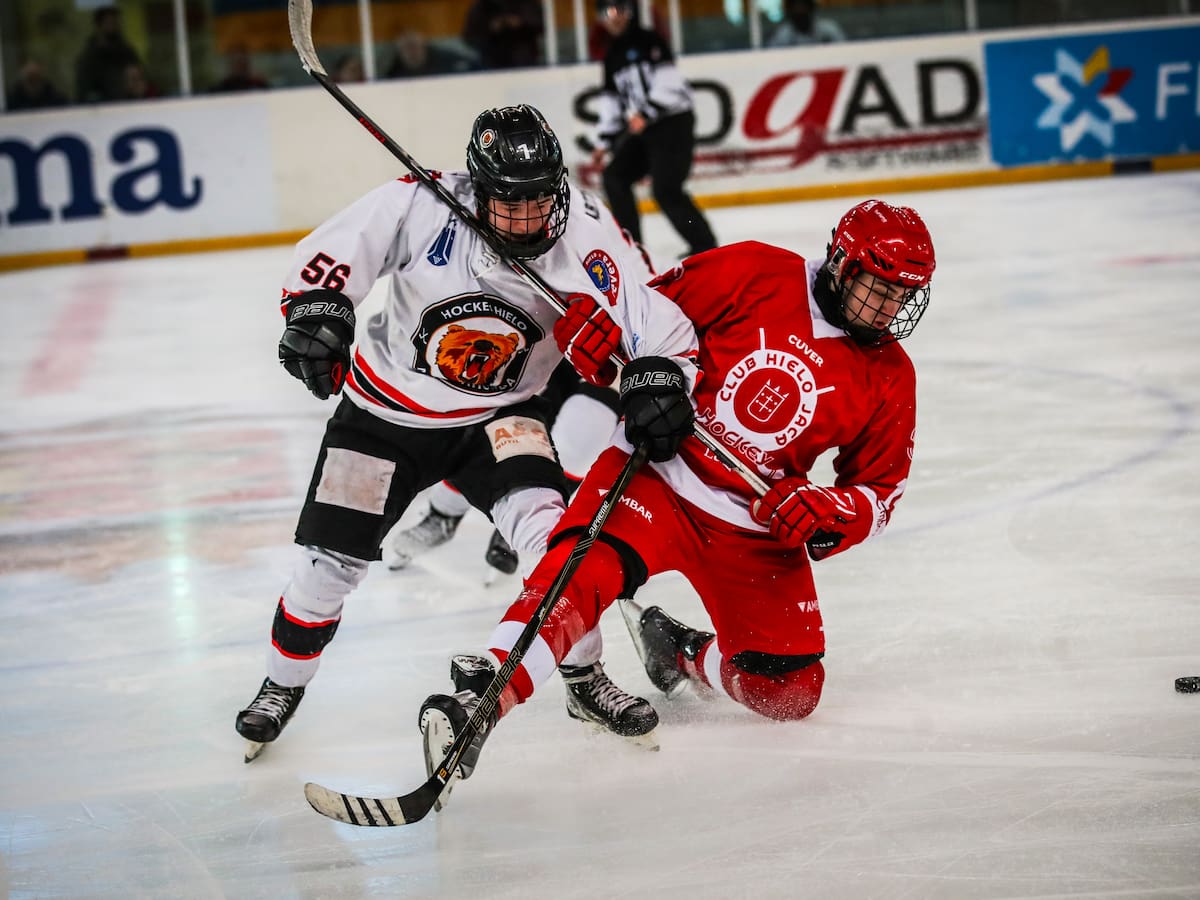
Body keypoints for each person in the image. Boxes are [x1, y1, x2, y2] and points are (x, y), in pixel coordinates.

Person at [416, 199, 936, 796]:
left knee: (790, 692)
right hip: (657, 471)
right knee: (575, 578)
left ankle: (680, 651)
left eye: (905, 295)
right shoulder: (754, 271)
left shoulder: (890, 373)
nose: (892, 307)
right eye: (881, 288)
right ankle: (480, 700)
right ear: (842, 265)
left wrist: (828, 510)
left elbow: (880, 492)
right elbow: (645, 320)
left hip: (751, 528)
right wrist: (604, 345)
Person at [234, 104, 700, 760]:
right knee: (327, 567)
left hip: (503, 419)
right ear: (477, 191)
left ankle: (583, 677)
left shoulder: (588, 230)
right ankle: (280, 685)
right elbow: (333, 256)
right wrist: (318, 314)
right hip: (383, 418)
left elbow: (656, 316)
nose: (529, 219)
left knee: (556, 544)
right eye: (511, 204)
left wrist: (657, 375)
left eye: (541, 200)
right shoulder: (421, 202)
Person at [386, 360, 623, 576]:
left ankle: (526, 511)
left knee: (585, 434)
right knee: (498, 412)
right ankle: (444, 514)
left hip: (615, 357)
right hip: (553, 345)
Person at [591, 0, 717, 259]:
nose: (614, 18)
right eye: (607, 13)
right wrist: (603, 141)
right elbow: (611, 101)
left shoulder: (649, 40)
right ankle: (632, 248)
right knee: (614, 177)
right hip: (646, 128)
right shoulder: (611, 55)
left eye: (619, 10)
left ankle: (705, 246)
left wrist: (647, 111)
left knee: (666, 188)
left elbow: (670, 83)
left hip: (673, 122)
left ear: (629, 12)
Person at [75, 5, 143, 104]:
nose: (114, 26)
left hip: (130, 105)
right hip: (104, 108)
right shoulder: (90, 57)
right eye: (109, 23)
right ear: (99, 25)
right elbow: (84, 91)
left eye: (116, 23)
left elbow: (139, 77)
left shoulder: (126, 51)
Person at [462, 0, 544, 70]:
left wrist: (522, 23)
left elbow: (542, 26)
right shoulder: (482, 6)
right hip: (491, 63)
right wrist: (490, 27)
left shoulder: (525, 3)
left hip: (524, 62)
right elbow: (470, 36)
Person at [384, 30, 478, 78]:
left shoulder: (444, 60)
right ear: (400, 52)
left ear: (423, 47)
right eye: (406, 48)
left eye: (414, 47)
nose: (412, 52)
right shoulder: (394, 72)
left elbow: (471, 64)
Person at [766, 0, 846, 47]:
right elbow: (772, 54)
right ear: (790, 11)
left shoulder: (828, 29)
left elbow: (844, 47)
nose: (800, 11)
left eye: (803, 7)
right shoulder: (783, 34)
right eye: (796, 8)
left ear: (811, 8)